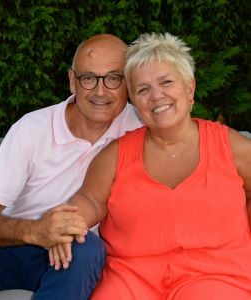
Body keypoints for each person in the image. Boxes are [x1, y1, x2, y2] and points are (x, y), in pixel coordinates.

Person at [52, 32, 251, 299]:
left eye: (166, 82)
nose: (157, 97)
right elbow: (90, 200)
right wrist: (68, 224)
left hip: (217, 276)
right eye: (143, 90)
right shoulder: (115, 154)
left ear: (189, 88)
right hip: (130, 277)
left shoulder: (230, 146)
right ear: (134, 102)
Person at [0, 33, 143, 299]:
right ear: (72, 81)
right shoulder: (32, 128)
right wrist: (36, 232)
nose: (101, 91)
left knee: (85, 246)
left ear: (129, 83)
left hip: (79, 258)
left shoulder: (142, 130)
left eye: (113, 78)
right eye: (88, 78)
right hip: (12, 248)